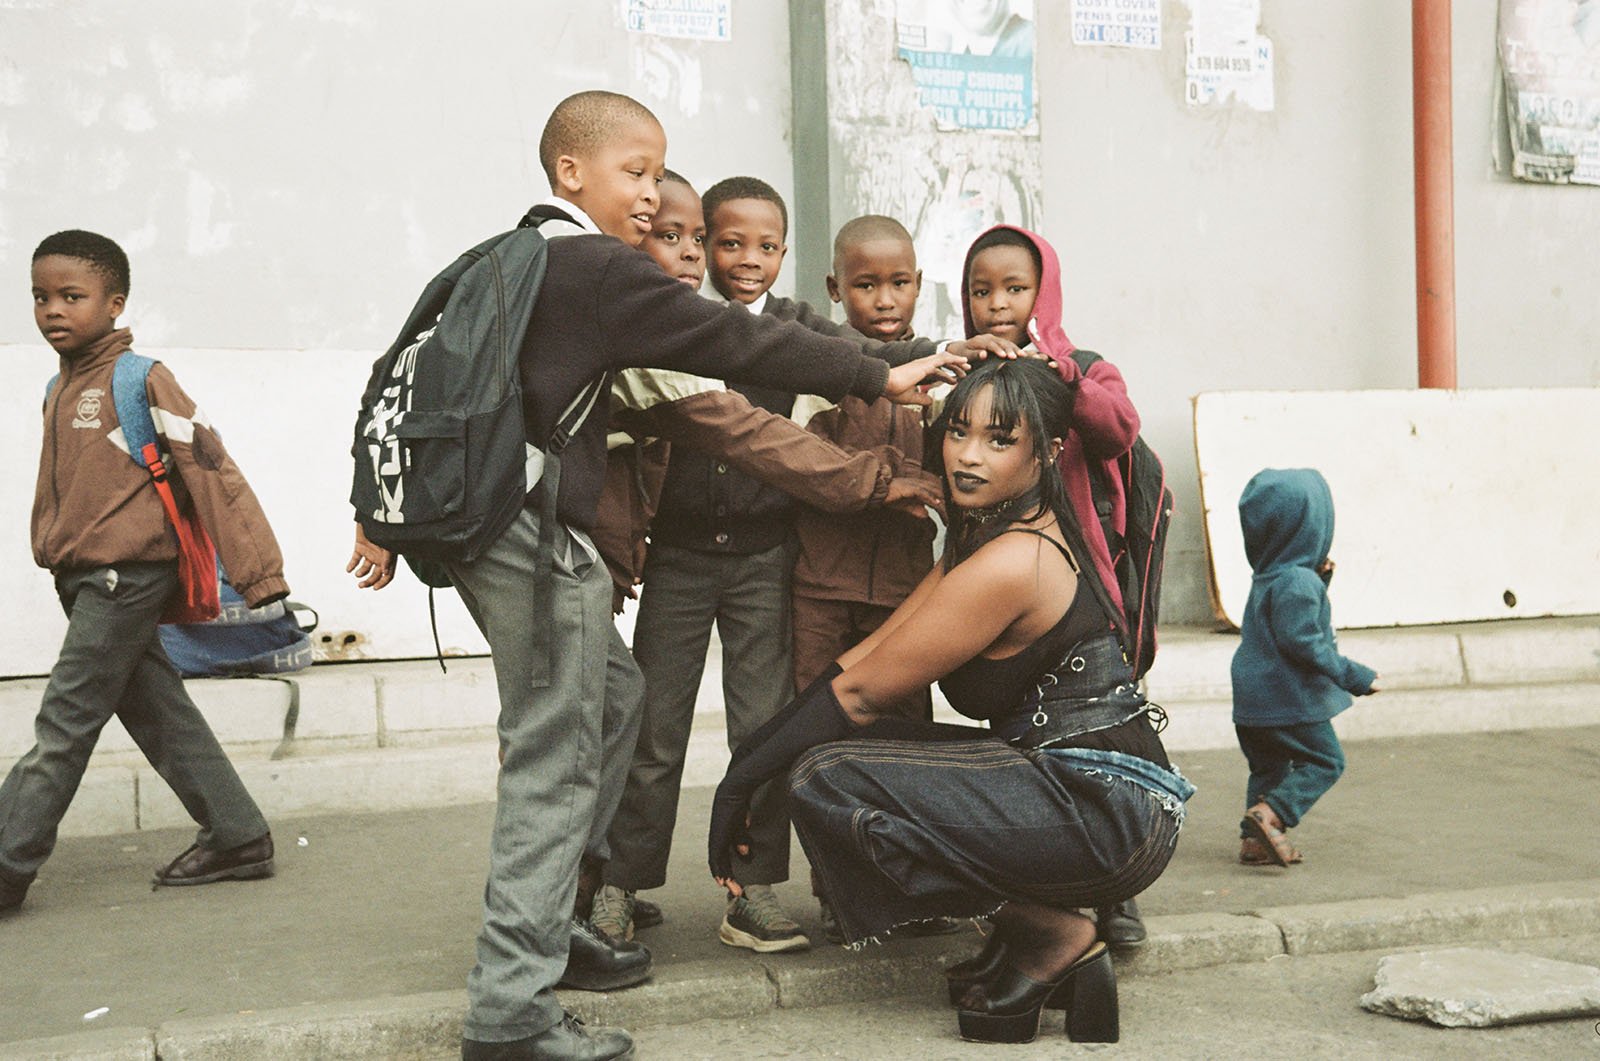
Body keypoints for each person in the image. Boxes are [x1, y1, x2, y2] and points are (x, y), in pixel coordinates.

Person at [346, 91, 984, 1061]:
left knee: (612, 700)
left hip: (492, 527)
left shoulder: (503, 257)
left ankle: (555, 923)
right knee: (554, 756)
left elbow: (403, 368)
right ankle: (511, 1008)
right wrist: (875, 373)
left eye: (658, 173)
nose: (649, 196)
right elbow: (731, 340)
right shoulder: (589, 266)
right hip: (528, 537)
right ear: (570, 172)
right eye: (633, 172)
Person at [707, 358, 1191, 1045]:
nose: (966, 456)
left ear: (1048, 452)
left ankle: (1055, 933)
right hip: (1086, 791)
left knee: (826, 778)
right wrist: (753, 760)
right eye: (957, 431)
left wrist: (743, 780)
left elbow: (864, 693)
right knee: (824, 755)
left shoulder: (1014, 559)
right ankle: (1027, 938)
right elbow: (864, 660)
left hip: (1108, 811)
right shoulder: (986, 534)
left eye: (1000, 440)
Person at [589, 174, 940, 943]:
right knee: (654, 728)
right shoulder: (671, 321)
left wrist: (946, 351)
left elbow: (872, 352)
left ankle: (751, 888)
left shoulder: (792, 329)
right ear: (704, 245)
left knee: (762, 727)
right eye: (726, 242)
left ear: (785, 252)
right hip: (679, 560)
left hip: (764, 562)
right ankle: (620, 882)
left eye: (765, 245)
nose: (746, 259)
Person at [2, 230, 285, 917]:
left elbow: (212, 468)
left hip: (123, 579)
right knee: (158, 710)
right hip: (84, 579)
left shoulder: (140, 379)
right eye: (41, 297)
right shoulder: (57, 386)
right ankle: (238, 833)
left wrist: (260, 575)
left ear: (115, 302)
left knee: (65, 720)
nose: (53, 311)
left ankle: (7, 863)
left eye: (73, 296)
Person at [961, 223, 1152, 949]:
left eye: (1015, 288)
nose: (998, 304)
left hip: (1085, 594)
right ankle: (1045, 898)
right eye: (983, 291)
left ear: (1045, 290)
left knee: (1104, 742)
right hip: (1004, 594)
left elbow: (1118, 430)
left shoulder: (1088, 366)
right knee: (1024, 746)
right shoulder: (971, 369)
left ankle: (1119, 897)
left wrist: (1062, 375)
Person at [791, 214, 945, 942]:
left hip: (907, 595)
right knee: (823, 740)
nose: (886, 299)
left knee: (908, 736)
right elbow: (803, 468)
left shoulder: (943, 371)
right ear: (834, 287)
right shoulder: (820, 369)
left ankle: (912, 880)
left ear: (920, 283)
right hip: (822, 586)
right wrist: (890, 481)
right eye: (866, 284)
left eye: (901, 282)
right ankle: (838, 888)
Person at [1231, 468, 1379, 867]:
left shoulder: (1270, 576)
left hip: (1252, 697)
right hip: (1286, 698)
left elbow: (1287, 620)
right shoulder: (1298, 580)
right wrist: (1355, 676)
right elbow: (1304, 641)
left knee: (1269, 767)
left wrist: (1320, 582)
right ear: (1313, 526)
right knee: (1326, 761)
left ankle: (1254, 842)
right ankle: (1271, 816)